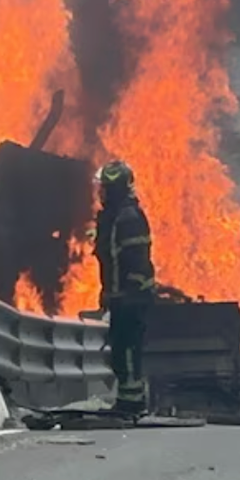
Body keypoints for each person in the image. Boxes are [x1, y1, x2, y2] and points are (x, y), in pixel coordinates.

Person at [93, 159, 156, 416]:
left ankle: (132, 402)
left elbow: (136, 258)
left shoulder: (127, 218)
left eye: (107, 188)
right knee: (121, 349)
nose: (102, 192)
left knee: (128, 350)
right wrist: (108, 293)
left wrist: (129, 292)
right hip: (120, 296)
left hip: (131, 297)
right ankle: (127, 399)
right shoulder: (113, 217)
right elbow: (111, 260)